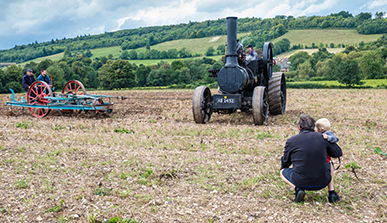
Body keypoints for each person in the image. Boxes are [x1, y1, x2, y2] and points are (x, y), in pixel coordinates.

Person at [280, 115, 342, 203]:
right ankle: (331, 193)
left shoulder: (291, 141)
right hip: (323, 182)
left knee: (282, 172)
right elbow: (338, 153)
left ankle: (298, 189)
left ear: (299, 127)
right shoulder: (323, 138)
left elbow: (285, 162)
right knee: (329, 162)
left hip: (301, 182)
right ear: (314, 127)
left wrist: (286, 167)